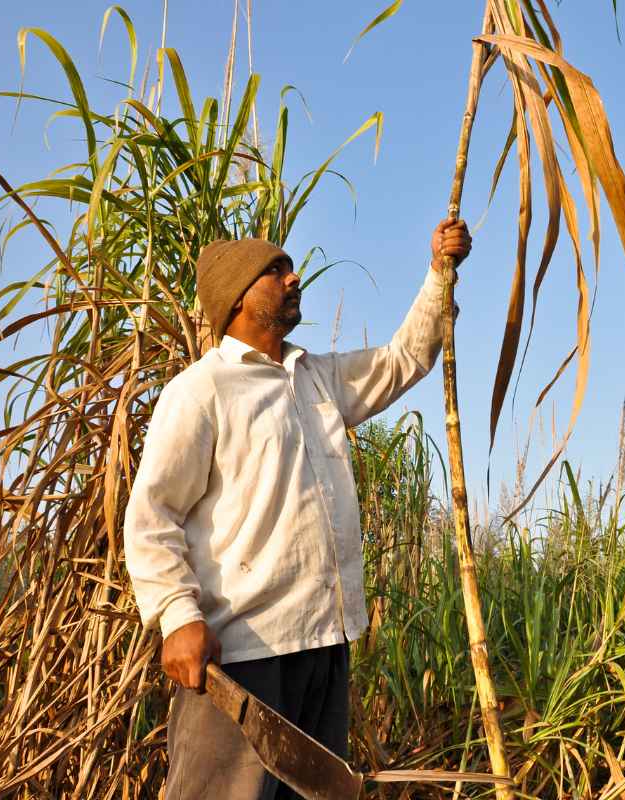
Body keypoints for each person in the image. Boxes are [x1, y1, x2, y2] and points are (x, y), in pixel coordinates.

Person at [123, 219, 471, 800]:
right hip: (242, 657)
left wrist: (439, 273)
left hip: (323, 642)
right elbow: (153, 514)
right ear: (237, 297)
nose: (293, 277)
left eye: (289, 268)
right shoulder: (201, 390)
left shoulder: (316, 378)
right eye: (276, 271)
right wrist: (177, 615)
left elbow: (404, 359)